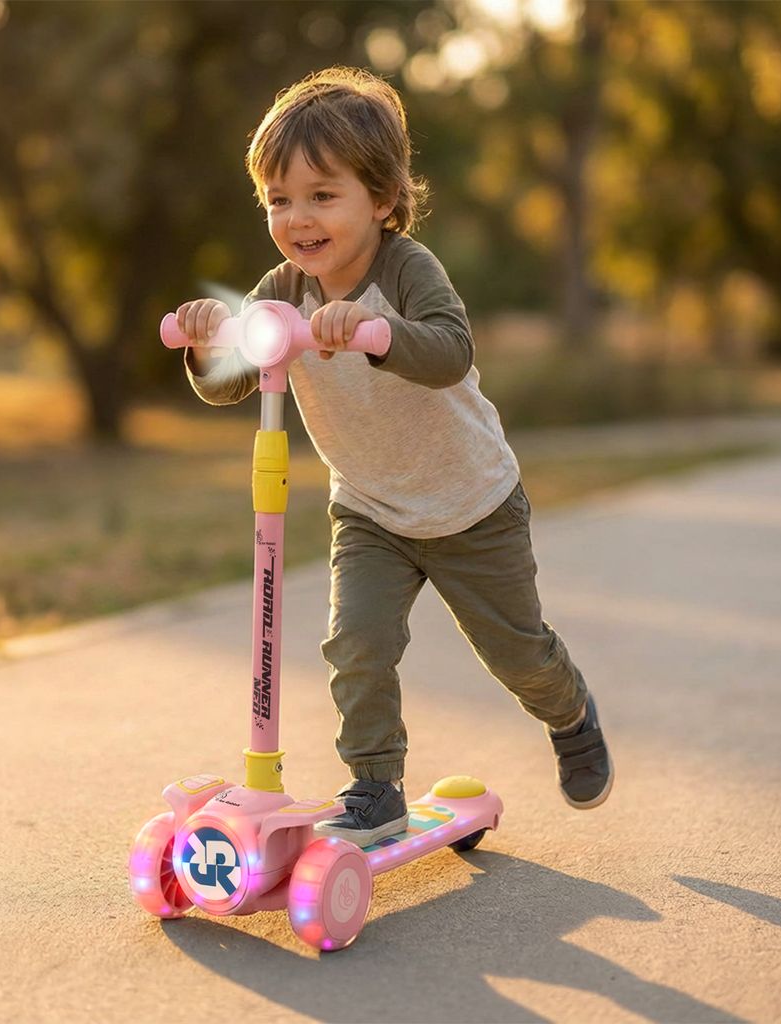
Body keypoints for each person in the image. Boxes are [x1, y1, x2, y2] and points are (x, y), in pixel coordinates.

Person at [174, 67, 612, 845]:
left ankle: (569, 711)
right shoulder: (284, 286)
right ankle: (375, 787)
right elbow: (231, 382)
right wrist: (212, 340)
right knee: (356, 646)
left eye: (321, 195)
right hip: (371, 508)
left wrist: (377, 334)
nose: (297, 218)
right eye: (279, 199)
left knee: (518, 655)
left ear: (380, 199)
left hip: (470, 503)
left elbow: (449, 351)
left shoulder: (409, 270)